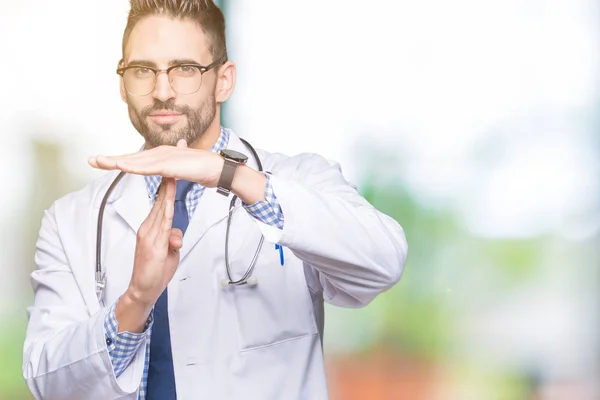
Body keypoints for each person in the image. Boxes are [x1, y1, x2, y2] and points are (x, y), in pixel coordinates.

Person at [22, 1, 408, 399]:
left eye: (185, 69)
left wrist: (230, 175)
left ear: (224, 80)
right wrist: (134, 301)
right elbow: (45, 381)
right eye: (143, 71)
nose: (162, 91)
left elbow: (383, 262)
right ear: (122, 84)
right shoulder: (71, 221)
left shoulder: (299, 180)